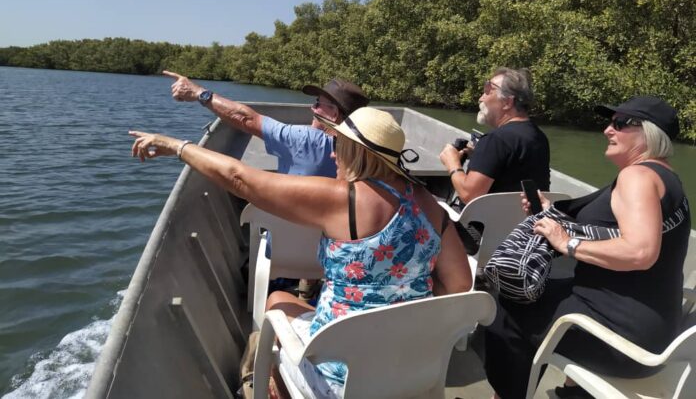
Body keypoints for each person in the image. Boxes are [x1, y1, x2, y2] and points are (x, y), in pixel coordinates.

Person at [129, 107, 471, 398]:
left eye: (339, 145)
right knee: (282, 300)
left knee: (276, 302)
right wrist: (397, 304)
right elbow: (458, 283)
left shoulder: (343, 199)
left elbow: (239, 178)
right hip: (409, 369)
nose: (333, 154)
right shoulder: (432, 206)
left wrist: (177, 146)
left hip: (341, 381)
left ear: (358, 152)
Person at [484, 95, 690, 399]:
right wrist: (550, 212)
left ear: (649, 133)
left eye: (620, 123)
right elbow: (612, 227)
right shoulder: (667, 177)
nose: (608, 130)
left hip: (620, 340)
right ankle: (575, 391)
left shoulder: (637, 176)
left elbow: (640, 251)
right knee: (553, 287)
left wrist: (568, 243)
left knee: (507, 304)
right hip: (653, 330)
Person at [162, 70, 368, 177]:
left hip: (284, 247)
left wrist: (198, 93)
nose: (312, 108)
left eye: (318, 104)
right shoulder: (368, 153)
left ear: (333, 114)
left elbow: (246, 119)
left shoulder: (304, 141)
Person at [439, 67, 550, 204]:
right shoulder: (539, 137)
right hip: (523, 222)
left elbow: (469, 195)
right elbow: (513, 172)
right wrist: (481, 158)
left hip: (483, 224)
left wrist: (453, 163)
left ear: (507, 102)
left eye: (488, 91)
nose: (481, 98)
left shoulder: (496, 140)